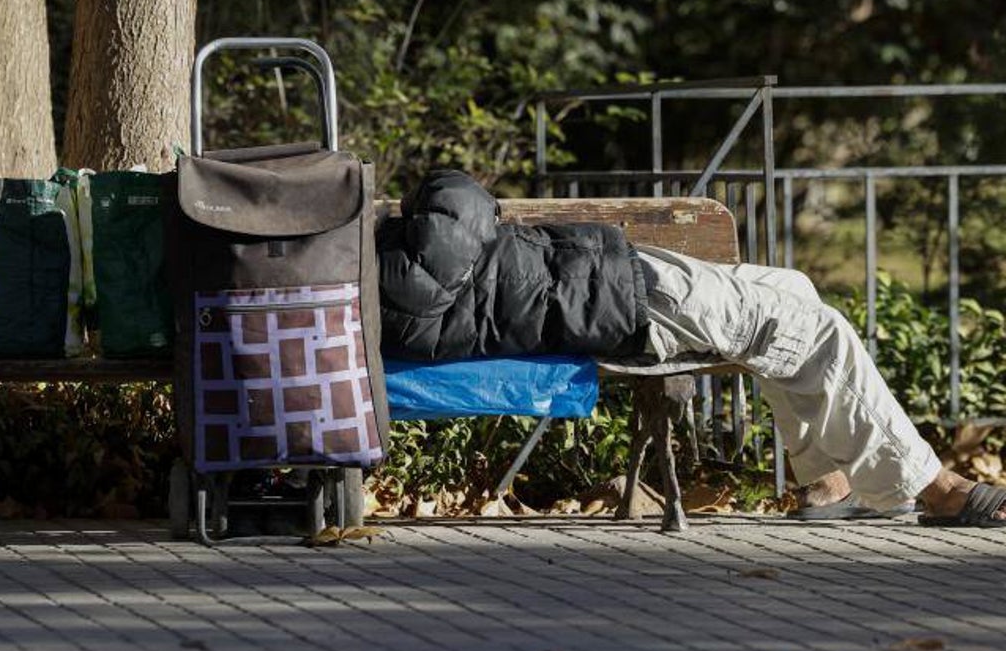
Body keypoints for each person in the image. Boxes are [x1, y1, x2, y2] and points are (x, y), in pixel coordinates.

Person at [377, 169, 1006, 527]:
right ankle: (934, 489)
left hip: (616, 281)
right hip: (630, 303)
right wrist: (427, 198)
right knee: (818, 331)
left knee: (795, 289)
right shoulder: (401, 276)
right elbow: (459, 199)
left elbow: (462, 222)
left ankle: (830, 484)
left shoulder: (391, 267)